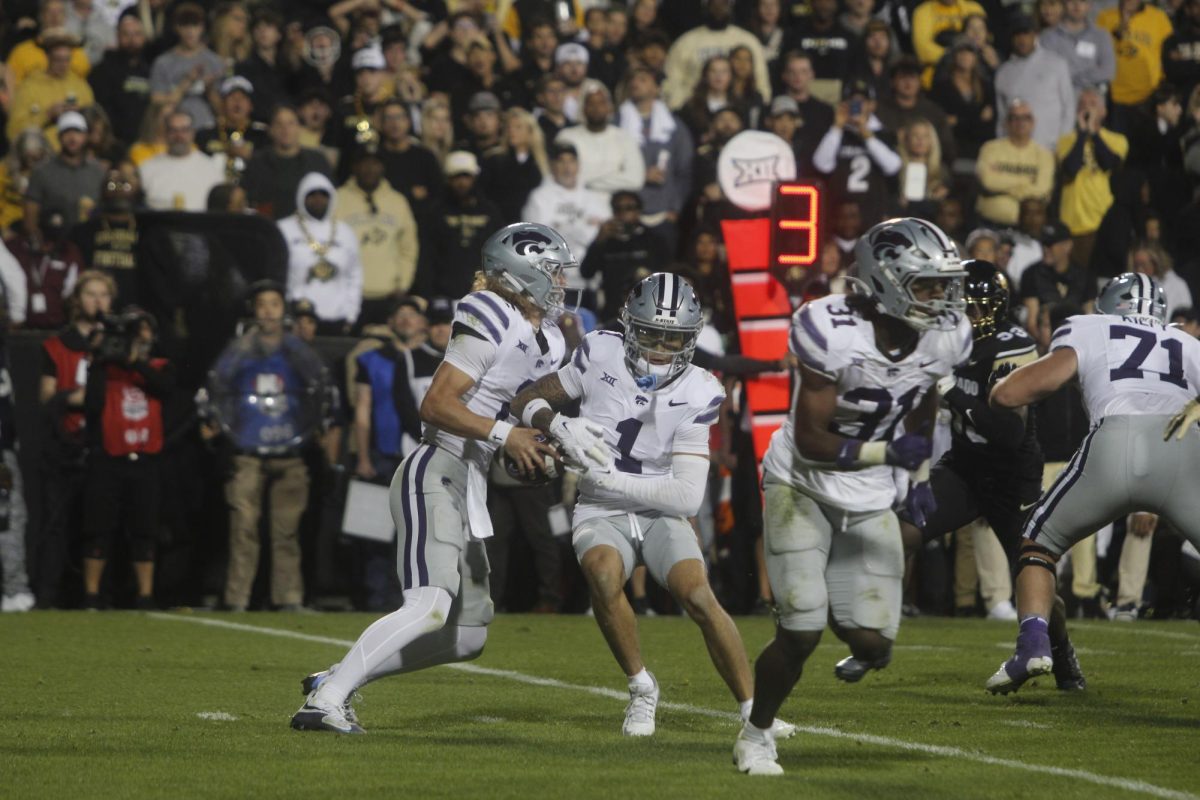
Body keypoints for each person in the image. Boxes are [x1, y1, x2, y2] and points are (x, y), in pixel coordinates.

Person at [291, 222, 595, 733]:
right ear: (518, 275)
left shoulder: (546, 340)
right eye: (550, 271)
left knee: (468, 636)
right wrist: (506, 435)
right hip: (435, 466)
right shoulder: (490, 311)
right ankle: (325, 703)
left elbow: (512, 412)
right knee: (430, 605)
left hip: (470, 479)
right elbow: (435, 405)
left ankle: (340, 675)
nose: (560, 282)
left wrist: (543, 444)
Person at [510, 272, 796, 737]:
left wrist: (609, 475)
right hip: (600, 508)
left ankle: (752, 709)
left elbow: (686, 495)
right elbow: (526, 400)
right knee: (603, 575)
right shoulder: (598, 350)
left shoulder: (700, 388)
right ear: (628, 325)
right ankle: (642, 688)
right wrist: (558, 426)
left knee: (697, 594)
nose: (661, 347)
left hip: (660, 507)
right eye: (650, 333)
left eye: (673, 337)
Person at [732, 217, 970, 776]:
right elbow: (814, 441)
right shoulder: (828, 328)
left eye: (944, 285)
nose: (942, 299)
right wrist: (889, 457)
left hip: (867, 493)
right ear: (884, 281)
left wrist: (919, 479)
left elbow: (923, 392)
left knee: (874, 645)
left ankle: (846, 621)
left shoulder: (943, 337)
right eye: (927, 285)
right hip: (802, 482)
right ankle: (756, 734)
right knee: (802, 627)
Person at [986, 273, 1200, 692]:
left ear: (1108, 303)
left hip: (1116, 442)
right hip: (1184, 446)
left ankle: (1032, 647)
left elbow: (1031, 387)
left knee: (1037, 545)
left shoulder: (1090, 326)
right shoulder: (1189, 344)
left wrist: (1001, 389)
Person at [888, 261, 1085, 687]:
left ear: (994, 309)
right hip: (965, 467)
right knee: (896, 533)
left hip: (1012, 475)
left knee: (1033, 571)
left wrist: (950, 391)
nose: (965, 316)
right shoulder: (944, 337)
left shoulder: (1014, 343)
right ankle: (870, 634)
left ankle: (1062, 650)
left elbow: (1007, 432)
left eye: (974, 309)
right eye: (960, 307)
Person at [205, 281, 332, 612]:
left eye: (274, 304)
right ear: (254, 310)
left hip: (290, 453)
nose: (268, 311)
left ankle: (288, 598)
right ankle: (236, 599)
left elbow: (319, 392)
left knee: (286, 532)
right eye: (262, 304)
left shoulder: (298, 353)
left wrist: (315, 428)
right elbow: (217, 389)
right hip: (247, 452)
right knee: (242, 529)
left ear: (283, 309)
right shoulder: (238, 351)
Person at [353, 298, 452, 610]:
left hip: (418, 454)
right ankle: (376, 598)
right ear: (391, 322)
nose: (408, 321)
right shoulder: (369, 359)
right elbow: (361, 410)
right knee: (375, 532)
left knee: (419, 532)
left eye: (414, 315)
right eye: (401, 315)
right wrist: (362, 455)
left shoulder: (444, 360)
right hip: (384, 451)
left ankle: (412, 597)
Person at [80, 307, 172, 610]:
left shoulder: (157, 365)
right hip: (109, 456)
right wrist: (97, 360)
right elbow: (92, 406)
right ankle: (91, 595)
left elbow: (166, 389)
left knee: (145, 529)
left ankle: (145, 596)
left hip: (146, 458)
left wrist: (136, 363)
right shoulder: (106, 370)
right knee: (98, 528)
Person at [36, 271, 114, 608]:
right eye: (90, 294)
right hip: (65, 446)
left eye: (104, 295)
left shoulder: (116, 344)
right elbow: (46, 397)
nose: (97, 301)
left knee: (101, 525)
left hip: (106, 445)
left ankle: (101, 596)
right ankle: (48, 596)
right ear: (76, 300)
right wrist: (88, 397)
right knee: (56, 523)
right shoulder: (57, 345)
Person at [335, 149, 419, 324]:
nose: (370, 169)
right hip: (347, 294)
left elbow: (408, 248)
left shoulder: (397, 201)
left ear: (382, 167)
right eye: (364, 163)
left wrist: (403, 284)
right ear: (354, 167)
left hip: (389, 295)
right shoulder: (337, 199)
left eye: (375, 163)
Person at [280, 172, 363, 334]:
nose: (318, 199)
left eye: (323, 194)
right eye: (312, 194)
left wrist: (351, 315)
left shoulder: (345, 232)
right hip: (298, 318)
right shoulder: (284, 229)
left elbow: (355, 276)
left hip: (337, 319)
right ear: (301, 196)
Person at [994, 16, 1075, 154]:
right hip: (1014, 152)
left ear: (1035, 35)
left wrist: (1062, 145)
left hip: (1050, 149)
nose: (1022, 40)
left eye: (1026, 33)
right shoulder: (1003, 72)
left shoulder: (1056, 64)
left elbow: (1069, 107)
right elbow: (1002, 117)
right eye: (1017, 35)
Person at [242, 104, 334, 220]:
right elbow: (249, 202)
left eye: (291, 123)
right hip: (270, 228)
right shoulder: (257, 162)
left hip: (309, 229)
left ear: (299, 128)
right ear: (270, 130)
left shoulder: (317, 161)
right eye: (279, 124)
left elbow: (330, 197)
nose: (285, 129)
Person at [5, 28, 95, 147]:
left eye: (67, 60)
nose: (63, 65)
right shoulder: (29, 87)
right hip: (39, 156)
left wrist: (79, 114)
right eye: (57, 59)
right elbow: (13, 131)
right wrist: (47, 115)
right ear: (47, 57)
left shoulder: (80, 86)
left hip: (75, 155)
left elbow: (95, 127)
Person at [556, 81, 646, 198]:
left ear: (609, 107)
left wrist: (589, 184)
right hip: (576, 204)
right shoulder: (567, 137)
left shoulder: (624, 137)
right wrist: (616, 176)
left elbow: (635, 180)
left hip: (614, 210)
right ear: (583, 108)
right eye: (591, 104)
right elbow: (563, 177)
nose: (596, 108)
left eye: (601, 103)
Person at [974, 100, 1055, 228]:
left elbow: (1042, 190)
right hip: (990, 223)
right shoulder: (990, 148)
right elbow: (988, 181)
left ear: (1033, 123)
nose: (1020, 122)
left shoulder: (1044, 154)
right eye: (1014, 118)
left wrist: (1005, 187)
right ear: (1006, 123)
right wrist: (1025, 185)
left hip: (1030, 227)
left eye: (1025, 118)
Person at [148, 2, 225, 132]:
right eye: (184, 25)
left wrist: (210, 89)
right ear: (176, 28)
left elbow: (222, 109)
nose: (190, 31)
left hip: (206, 126)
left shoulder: (214, 61)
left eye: (195, 25)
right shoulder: (163, 62)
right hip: (174, 129)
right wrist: (187, 82)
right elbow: (156, 99)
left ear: (202, 28)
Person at [87, 9, 151, 146]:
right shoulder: (102, 70)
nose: (132, 40)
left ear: (144, 38)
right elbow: (100, 110)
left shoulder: (149, 70)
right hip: (113, 142)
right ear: (117, 36)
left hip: (144, 141)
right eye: (126, 34)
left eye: (137, 34)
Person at [138, 110, 224, 211]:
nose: (179, 136)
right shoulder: (147, 167)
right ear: (165, 133)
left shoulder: (211, 168)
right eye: (173, 130)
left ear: (192, 133)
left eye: (184, 130)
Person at [1039, 0, 1116, 99]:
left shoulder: (1101, 36)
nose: (1077, 5)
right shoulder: (1048, 37)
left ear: (1089, 5)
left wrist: (1075, 79)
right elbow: (1045, 70)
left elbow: (1108, 71)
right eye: (1072, 1)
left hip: (1092, 102)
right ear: (1064, 4)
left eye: (1082, 1)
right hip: (1056, 100)